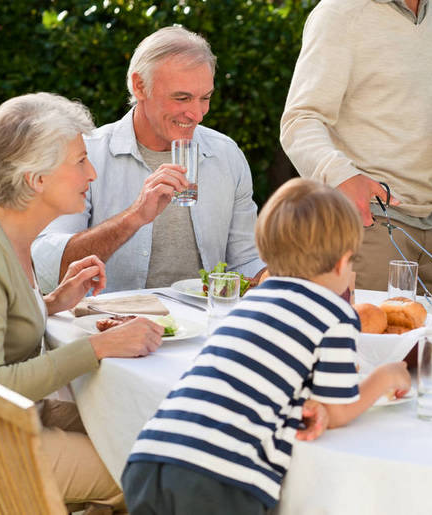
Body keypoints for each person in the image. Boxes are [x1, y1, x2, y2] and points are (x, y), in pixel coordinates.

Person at [121, 178, 411, 514]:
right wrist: (388, 377)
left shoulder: (251, 302)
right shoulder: (335, 315)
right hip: (221, 479)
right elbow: (339, 410)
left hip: (151, 456)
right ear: (341, 264)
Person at [280, 0, 432, 298]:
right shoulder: (339, 12)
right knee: (365, 340)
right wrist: (343, 177)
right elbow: (299, 121)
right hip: (366, 220)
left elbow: (429, 104)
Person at [0, 93, 166, 513]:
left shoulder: (15, 238)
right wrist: (98, 347)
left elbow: (8, 318)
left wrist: (53, 301)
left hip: (22, 418)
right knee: (153, 475)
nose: (91, 174)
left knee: (154, 435)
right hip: (3, 440)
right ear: (36, 179)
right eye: (78, 162)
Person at [31, 26, 265, 294]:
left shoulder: (226, 155)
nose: (197, 115)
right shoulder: (86, 155)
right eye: (182, 98)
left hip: (206, 328)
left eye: (205, 98)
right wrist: (134, 216)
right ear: (140, 85)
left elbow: (245, 261)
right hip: (107, 325)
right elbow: (47, 266)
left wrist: (276, 274)